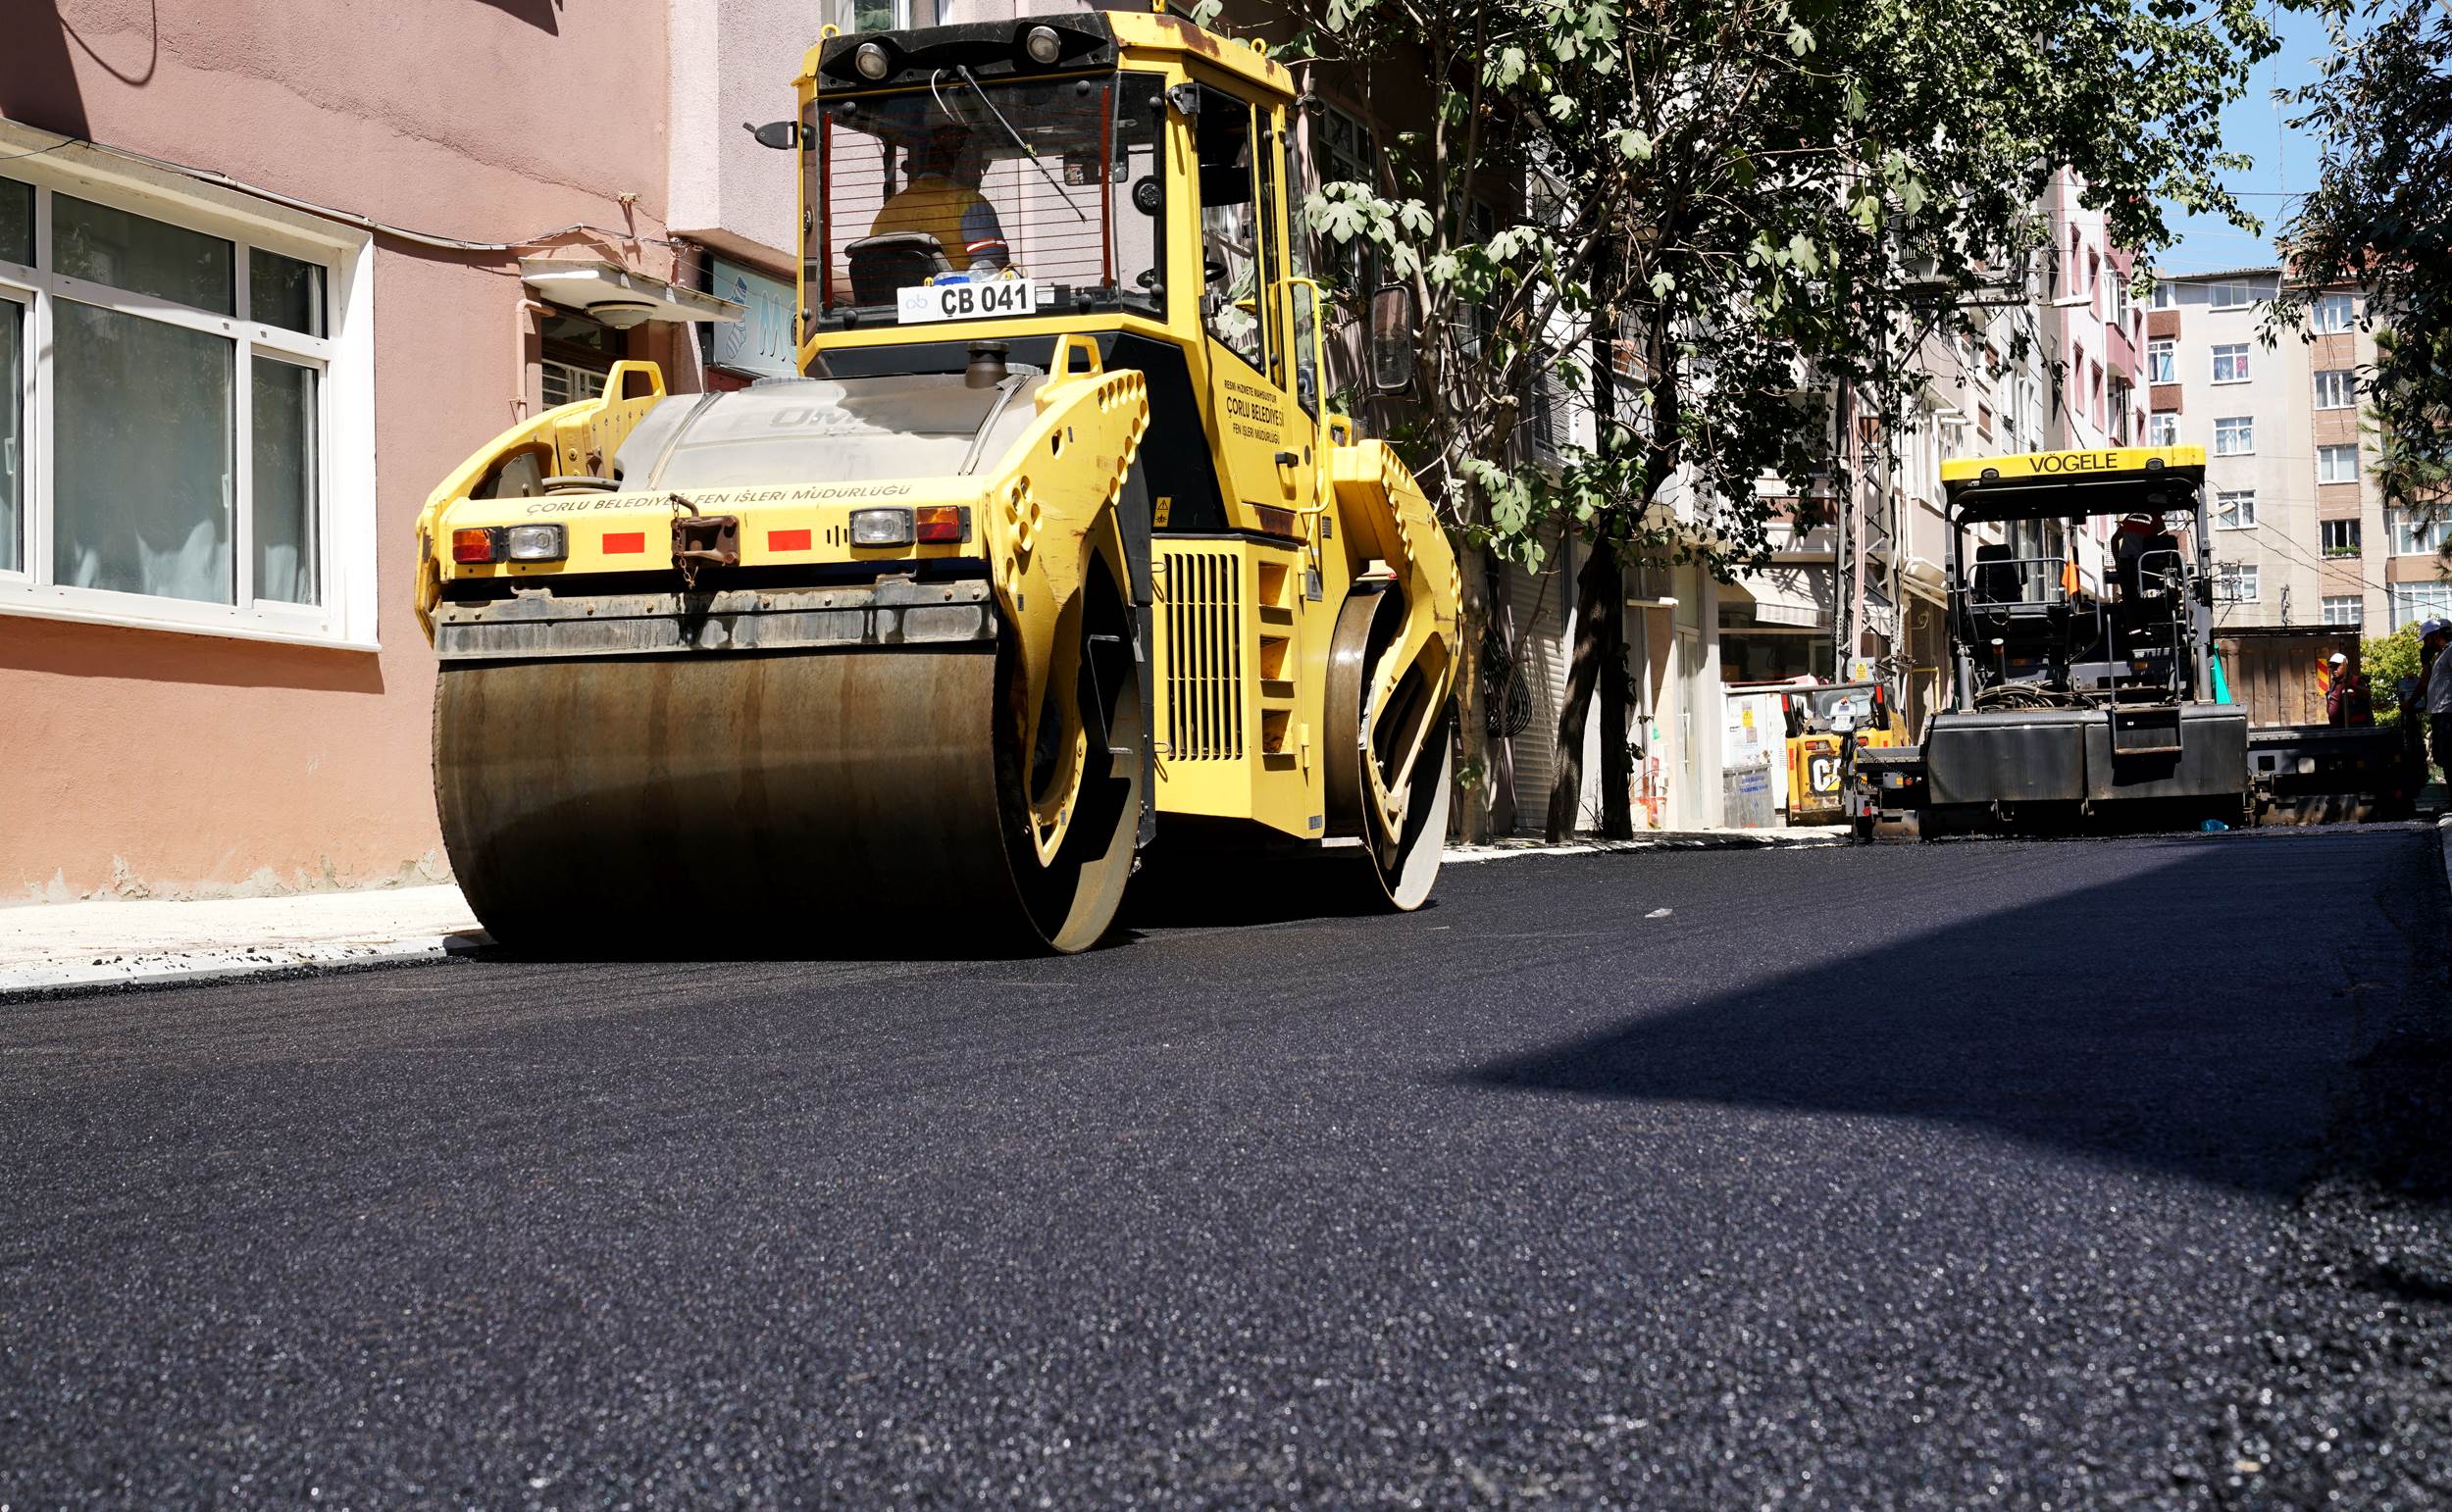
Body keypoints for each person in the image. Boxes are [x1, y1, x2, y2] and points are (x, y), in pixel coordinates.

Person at [871, 125, 1009, 273]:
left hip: (893, 296)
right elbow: (994, 268)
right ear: (962, 163)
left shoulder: (888, 211)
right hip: (957, 294)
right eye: (978, 164)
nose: (979, 175)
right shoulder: (970, 203)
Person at [2414, 619, 2452, 781]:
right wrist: (2425, 664)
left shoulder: (2450, 651)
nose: (2425, 645)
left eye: (2426, 640)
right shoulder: (2441, 655)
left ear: (2436, 635)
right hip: (2440, 715)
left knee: (2449, 759)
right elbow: (2427, 681)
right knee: (2444, 759)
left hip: (2448, 716)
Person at [2324, 648, 2375, 727]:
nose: (2334, 669)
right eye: (2331, 666)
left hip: (2355, 729)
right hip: (2337, 728)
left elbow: (2367, 694)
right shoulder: (2333, 685)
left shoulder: (2356, 680)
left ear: (2345, 666)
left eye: (2337, 666)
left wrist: (2352, 686)